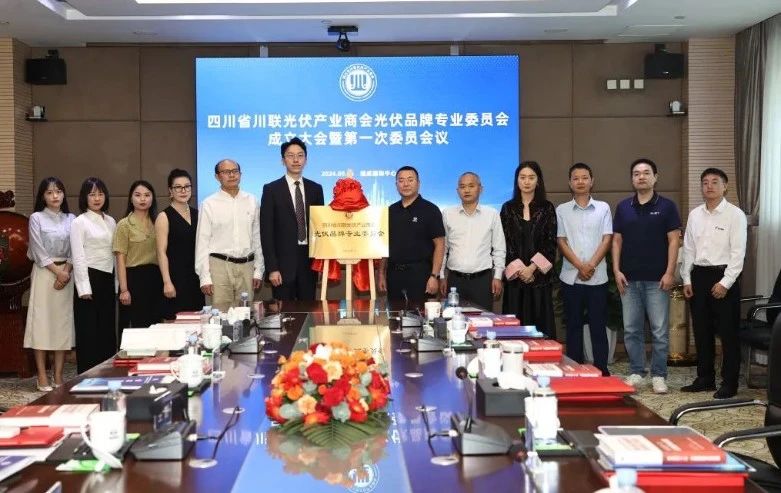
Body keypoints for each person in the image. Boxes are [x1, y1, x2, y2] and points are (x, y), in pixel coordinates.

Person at [613, 158, 681, 394]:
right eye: (636, 173)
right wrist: (616, 270)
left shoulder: (667, 206)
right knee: (632, 329)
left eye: (646, 172)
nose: (641, 177)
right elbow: (617, 241)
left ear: (655, 177)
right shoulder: (623, 207)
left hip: (657, 280)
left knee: (659, 331)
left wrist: (670, 272)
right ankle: (637, 371)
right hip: (628, 279)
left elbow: (674, 241)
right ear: (632, 179)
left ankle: (659, 375)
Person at [680, 168, 747, 399]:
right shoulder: (695, 214)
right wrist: (686, 278)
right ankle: (705, 378)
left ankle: (730, 382)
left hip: (724, 276)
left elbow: (738, 253)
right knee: (702, 331)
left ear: (725, 186)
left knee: (728, 333)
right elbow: (688, 249)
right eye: (705, 182)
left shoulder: (735, 215)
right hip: (698, 276)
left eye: (715, 182)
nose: (709, 186)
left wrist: (725, 283)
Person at [556, 163, 613, 375]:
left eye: (584, 177)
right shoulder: (562, 210)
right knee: (573, 326)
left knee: (598, 325)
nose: (580, 181)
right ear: (570, 183)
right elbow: (561, 241)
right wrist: (580, 266)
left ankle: (601, 370)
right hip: (571, 277)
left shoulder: (603, 208)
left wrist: (590, 265)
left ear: (592, 181)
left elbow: (607, 238)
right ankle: (574, 369)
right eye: (576, 178)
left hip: (597, 277)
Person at [25, 177, 75, 391]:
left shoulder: (71, 218)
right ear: (42, 196)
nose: (55, 196)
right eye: (49, 192)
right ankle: (42, 375)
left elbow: (75, 248)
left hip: (67, 274)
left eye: (58, 191)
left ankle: (58, 374)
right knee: (42, 324)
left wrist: (66, 272)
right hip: (45, 273)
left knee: (62, 325)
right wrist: (57, 273)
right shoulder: (36, 218)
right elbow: (37, 250)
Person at [260, 137, 324, 301]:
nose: (296, 160)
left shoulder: (316, 189)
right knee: (283, 313)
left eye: (300, 155)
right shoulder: (271, 189)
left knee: (308, 311)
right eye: (290, 156)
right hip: (282, 266)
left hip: (308, 264)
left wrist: (320, 264)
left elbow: (319, 230)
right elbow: (266, 232)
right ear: (283, 160)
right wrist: (272, 268)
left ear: (306, 160)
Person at [195, 159, 263, 311]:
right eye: (226, 172)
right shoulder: (209, 204)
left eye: (235, 171)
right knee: (220, 315)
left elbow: (257, 238)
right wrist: (204, 277)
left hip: (247, 266)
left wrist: (259, 270)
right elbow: (202, 242)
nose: (232, 175)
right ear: (217, 177)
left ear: (240, 174)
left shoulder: (252, 201)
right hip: (219, 267)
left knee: (245, 315)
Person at [500, 161, 558, 338]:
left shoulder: (547, 208)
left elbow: (550, 243)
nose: (526, 181)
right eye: (522, 177)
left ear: (538, 181)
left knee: (540, 329)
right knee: (514, 329)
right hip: (515, 280)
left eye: (531, 177)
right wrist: (520, 270)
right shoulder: (508, 208)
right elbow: (505, 243)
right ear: (517, 180)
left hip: (539, 278)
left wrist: (532, 268)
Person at [70, 177, 117, 374]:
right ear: (85, 197)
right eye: (92, 194)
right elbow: (78, 256)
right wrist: (83, 287)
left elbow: (115, 254)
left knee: (107, 329)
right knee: (88, 331)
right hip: (89, 278)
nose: (97, 198)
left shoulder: (111, 221)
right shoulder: (79, 222)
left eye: (100, 194)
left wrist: (117, 283)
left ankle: (107, 373)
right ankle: (87, 376)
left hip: (108, 278)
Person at [439, 172, 505, 311]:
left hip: (482, 281)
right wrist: (442, 276)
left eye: (471, 186)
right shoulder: (448, 214)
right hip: (455, 280)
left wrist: (498, 276)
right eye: (462, 186)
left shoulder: (491, 214)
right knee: (452, 319)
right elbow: (443, 248)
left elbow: (499, 248)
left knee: (483, 321)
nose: (466, 190)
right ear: (457, 190)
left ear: (480, 189)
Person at [380, 166, 445, 302]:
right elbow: (384, 245)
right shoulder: (390, 211)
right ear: (396, 185)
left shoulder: (431, 210)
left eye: (410, 180)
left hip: (421, 275)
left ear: (418, 183)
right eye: (401, 180)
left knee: (420, 314)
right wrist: (381, 274)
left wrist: (434, 276)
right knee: (395, 313)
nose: (406, 184)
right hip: (394, 275)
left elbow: (440, 245)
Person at [156, 169, 205, 319]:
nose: (183, 191)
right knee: (175, 323)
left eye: (187, 186)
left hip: (196, 279)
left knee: (196, 322)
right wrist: (167, 282)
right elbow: (161, 252)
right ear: (170, 191)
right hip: (175, 279)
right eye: (178, 187)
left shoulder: (198, 214)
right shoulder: (164, 216)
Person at [114, 180, 162, 330]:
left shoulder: (158, 222)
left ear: (152, 198)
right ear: (131, 198)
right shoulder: (124, 224)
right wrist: (124, 290)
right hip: (133, 280)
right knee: (135, 328)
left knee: (154, 326)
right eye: (138, 195)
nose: (142, 199)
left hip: (155, 279)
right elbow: (120, 260)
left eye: (147, 195)